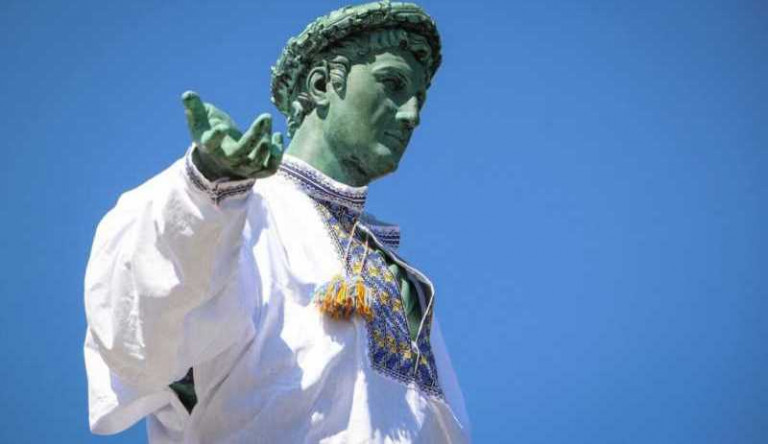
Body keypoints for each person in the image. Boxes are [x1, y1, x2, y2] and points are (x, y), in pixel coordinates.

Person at [84, 2, 470, 442]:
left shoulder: (404, 280)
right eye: (394, 84)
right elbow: (140, 334)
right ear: (322, 85)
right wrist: (208, 185)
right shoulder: (240, 211)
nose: (411, 114)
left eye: (420, 98)